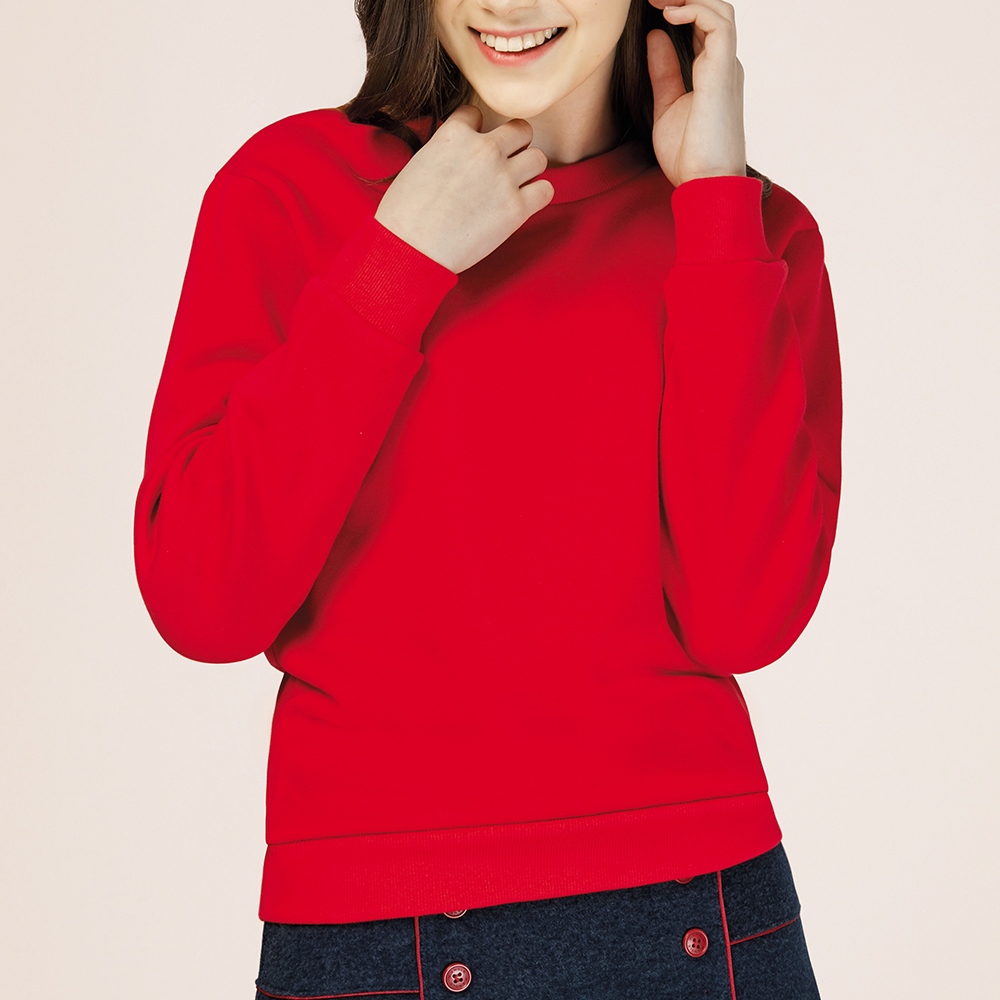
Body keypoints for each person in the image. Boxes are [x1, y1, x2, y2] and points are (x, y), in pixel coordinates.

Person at [133, 0, 842, 995]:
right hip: (373, 932)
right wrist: (399, 259)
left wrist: (717, 206)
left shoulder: (744, 230)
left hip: (700, 910)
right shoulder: (290, 191)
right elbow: (202, 600)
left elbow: (745, 618)